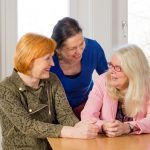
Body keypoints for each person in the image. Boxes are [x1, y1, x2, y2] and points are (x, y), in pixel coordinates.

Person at [0, 33, 100, 150]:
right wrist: (72, 132)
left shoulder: (52, 80)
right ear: (29, 59)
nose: (52, 63)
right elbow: (27, 125)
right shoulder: (5, 89)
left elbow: (65, 115)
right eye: (47, 58)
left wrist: (78, 126)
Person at [81, 44, 150, 137]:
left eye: (118, 68)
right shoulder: (102, 81)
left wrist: (128, 127)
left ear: (133, 71)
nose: (111, 71)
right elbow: (87, 115)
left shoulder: (147, 85)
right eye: (111, 65)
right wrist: (103, 126)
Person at [50, 17, 108, 119]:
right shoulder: (48, 59)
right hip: (56, 112)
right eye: (72, 48)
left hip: (87, 107)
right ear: (58, 49)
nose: (79, 52)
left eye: (81, 44)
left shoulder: (93, 48)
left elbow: (108, 79)